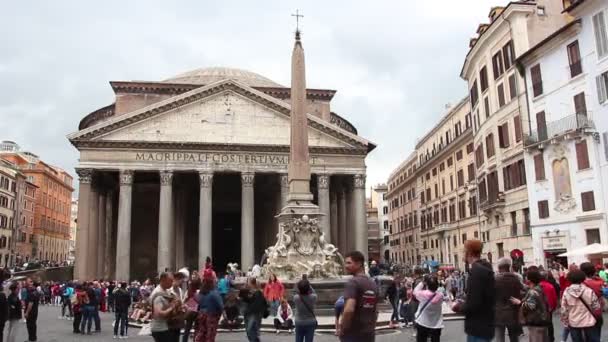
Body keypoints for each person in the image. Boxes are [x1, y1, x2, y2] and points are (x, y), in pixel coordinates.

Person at [451, 240, 495, 342]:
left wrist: (457, 307)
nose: (463, 253)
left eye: (464, 251)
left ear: (469, 253)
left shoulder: (476, 271)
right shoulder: (485, 268)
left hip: (477, 327)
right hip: (486, 324)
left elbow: (474, 303)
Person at [340, 250, 378, 342]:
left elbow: (349, 310)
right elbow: (376, 311)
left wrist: (343, 328)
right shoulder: (372, 283)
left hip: (353, 333)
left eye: (349, 263)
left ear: (359, 264)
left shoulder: (353, 282)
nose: (346, 266)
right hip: (369, 333)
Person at [510, 268, 550, 342]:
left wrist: (519, 302)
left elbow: (531, 305)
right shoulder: (539, 288)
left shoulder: (533, 292)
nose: (525, 277)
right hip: (542, 320)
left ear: (530, 279)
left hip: (536, 321)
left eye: (527, 276)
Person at [561, 269, 601, 342]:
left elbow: (564, 309)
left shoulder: (566, 292)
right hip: (589, 322)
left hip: (574, 322)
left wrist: (566, 322)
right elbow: (596, 306)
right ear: (583, 278)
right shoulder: (589, 291)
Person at [494, 257, 524, 342]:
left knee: (499, 338)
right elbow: (525, 291)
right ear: (509, 267)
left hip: (498, 313)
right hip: (512, 313)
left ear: (499, 268)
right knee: (514, 338)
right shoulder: (516, 279)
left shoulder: (494, 279)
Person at [194, 269, 223, 342]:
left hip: (202, 314)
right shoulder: (214, 292)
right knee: (210, 336)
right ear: (212, 281)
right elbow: (220, 305)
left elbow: (198, 302)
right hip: (211, 315)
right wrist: (221, 315)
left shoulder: (201, 292)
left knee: (202, 333)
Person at [413, 275, 444, 342]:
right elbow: (438, 291)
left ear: (427, 285)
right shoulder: (440, 296)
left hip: (423, 323)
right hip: (436, 324)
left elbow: (415, 291)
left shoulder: (422, 294)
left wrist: (422, 282)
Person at [150, 272, 179, 342]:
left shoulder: (166, 291)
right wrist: (172, 307)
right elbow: (159, 314)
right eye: (170, 281)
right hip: (160, 329)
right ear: (163, 280)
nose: (172, 283)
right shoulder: (158, 295)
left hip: (166, 326)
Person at [240, 277, 268, 342]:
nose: (247, 283)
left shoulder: (258, 293)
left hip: (254, 314)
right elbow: (251, 301)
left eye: (248, 282)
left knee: (250, 330)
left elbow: (258, 304)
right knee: (250, 332)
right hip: (250, 314)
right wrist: (244, 299)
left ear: (252, 284)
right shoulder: (250, 292)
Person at [580, 262, 604, 339]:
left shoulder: (580, 284)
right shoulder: (599, 282)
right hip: (597, 312)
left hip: (583, 313)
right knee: (596, 336)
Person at [540, 271, 558, 342]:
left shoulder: (537, 286)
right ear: (546, 277)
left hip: (539, 309)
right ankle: (551, 338)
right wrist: (553, 307)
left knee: (541, 324)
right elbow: (554, 298)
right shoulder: (550, 286)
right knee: (550, 324)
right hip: (548, 308)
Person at [23, 277, 40, 342]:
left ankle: (32, 339)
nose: (28, 283)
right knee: (32, 325)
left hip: (31, 311)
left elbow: (30, 304)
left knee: (30, 325)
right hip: (35, 311)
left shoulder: (32, 292)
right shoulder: (35, 291)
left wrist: (27, 312)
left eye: (30, 282)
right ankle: (32, 338)